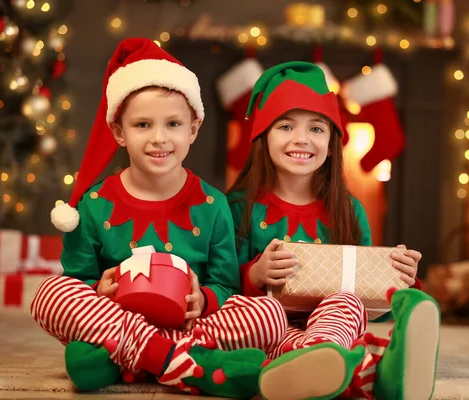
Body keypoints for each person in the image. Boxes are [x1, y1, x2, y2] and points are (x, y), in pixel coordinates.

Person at [30, 38, 288, 398]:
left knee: (270, 316)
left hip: (190, 326)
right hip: (116, 320)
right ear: (119, 132)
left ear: (193, 129)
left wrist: (204, 300)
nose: (159, 138)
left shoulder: (213, 205)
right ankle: (186, 363)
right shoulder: (94, 203)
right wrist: (98, 290)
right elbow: (79, 281)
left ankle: (131, 361)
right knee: (50, 293)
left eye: (172, 124)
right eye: (142, 125)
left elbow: (226, 286)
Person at [227, 61, 441, 399]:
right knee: (262, 315)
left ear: (332, 142)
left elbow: (372, 305)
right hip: (267, 326)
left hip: (333, 328)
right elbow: (222, 287)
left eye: (316, 129)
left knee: (346, 302)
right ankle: (372, 372)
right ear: (263, 135)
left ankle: (319, 361)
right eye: (285, 126)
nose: (302, 139)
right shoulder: (238, 208)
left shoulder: (349, 211)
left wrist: (398, 278)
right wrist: (255, 274)